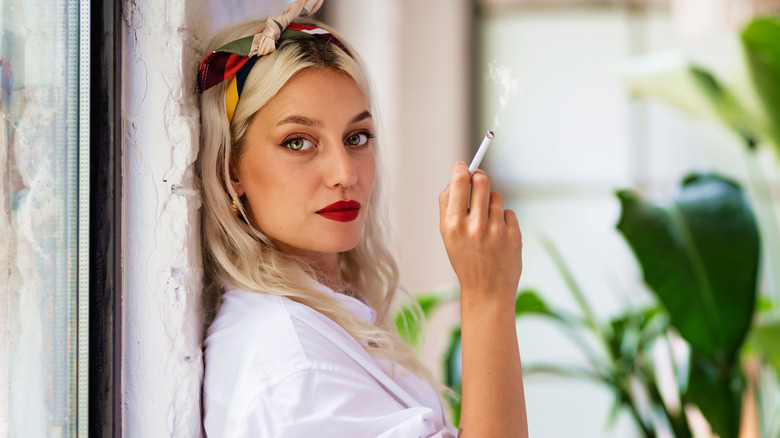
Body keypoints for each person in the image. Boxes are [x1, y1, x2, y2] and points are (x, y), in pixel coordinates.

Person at [197, 1, 528, 436]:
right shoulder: (294, 376)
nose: (345, 174)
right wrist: (488, 297)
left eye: (356, 137)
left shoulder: (317, 319)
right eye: (298, 142)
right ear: (231, 167)